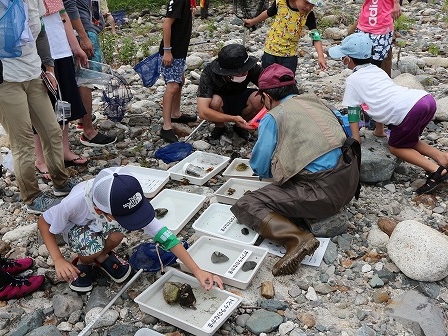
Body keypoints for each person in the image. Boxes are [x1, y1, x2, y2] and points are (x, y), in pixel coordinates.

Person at [230, 64, 361, 276]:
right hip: (350, 178)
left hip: (324, 194)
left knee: (248, 203)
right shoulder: (316, 101)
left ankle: (297, 239)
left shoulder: (274, 116)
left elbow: (260, 167)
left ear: (266, 96)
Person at [38, 167, 224, 292]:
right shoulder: (73, 203)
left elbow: (168, 239)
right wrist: (58, 259)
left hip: (104, 223)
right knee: (91, 248)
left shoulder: (123, 191)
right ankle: (85, 261)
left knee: (119, 232)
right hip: (77, 228)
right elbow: (43, 223)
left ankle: (102, 256)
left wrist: (197, 270)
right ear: (98, 209)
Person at [328, 33, 448, 194]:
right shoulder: (376, 70)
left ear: (348, 59)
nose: (342, 60)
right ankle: (442, 157)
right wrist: (380, 130)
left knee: (396, 147)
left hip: (409, 110)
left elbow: (353, 111)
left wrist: (355, 138)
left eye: (343, 57)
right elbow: (381, 99)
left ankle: (436, 170)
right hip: (425, 100)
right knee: (408, 140)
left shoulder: (353, 80)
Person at [0, 0, 76, 214]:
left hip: (33, 74)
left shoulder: (33, 1)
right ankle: (32, 197)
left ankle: (61, 182)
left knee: (52, 130)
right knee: (22, 141)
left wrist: (49, 68)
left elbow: (41, 32)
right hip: (5, 81)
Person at [34, 0, 90, 180]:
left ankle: (64, 151)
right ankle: (40, 159)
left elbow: (63, 15)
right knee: (40, 108)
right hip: (40, 56)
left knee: (63, 105)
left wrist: (76, 47)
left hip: (62, 52)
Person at [62, 0, 116, 147]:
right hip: (82, 32)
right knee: (86, 81)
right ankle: (88, 131)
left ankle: (82, 120)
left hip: (83, 30)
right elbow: (69, 5)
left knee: (81, 78)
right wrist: (84, 36)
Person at [350, 0, 402, 137]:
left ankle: (378, 122)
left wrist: (396, 3)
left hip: (382, 29)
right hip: (365, 25)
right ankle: (367, 118)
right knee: (362, 72)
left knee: (377, 75)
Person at [197, 44, 264, 141]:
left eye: (245, 70)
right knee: (214, 102)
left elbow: (270, 88)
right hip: (220, 102)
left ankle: (241, 125)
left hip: (242, 97)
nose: (245, 73)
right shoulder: (209, 74)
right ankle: (220, 126)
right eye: (240, 72)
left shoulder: (250, 68)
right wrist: (232, 118)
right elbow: (203, 112)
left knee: (260, 98)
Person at [243, 0, 327, 74]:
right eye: (306, 2)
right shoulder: (280, 3)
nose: (308, 7)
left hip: (289, 54)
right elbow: (268, 13)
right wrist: (252, 22)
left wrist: (320, 56)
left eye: (312, 5)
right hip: (271, 50)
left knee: (287, 79)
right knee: (267, 77)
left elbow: (315, 35)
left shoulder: (308, 15)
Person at [158, 0, 198, 143]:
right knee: (173, 85)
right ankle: (166, 126)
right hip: (172, 52)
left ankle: (175, 114)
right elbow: (167, 24)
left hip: (179, 51)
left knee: (180, 80)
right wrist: (167, 51)